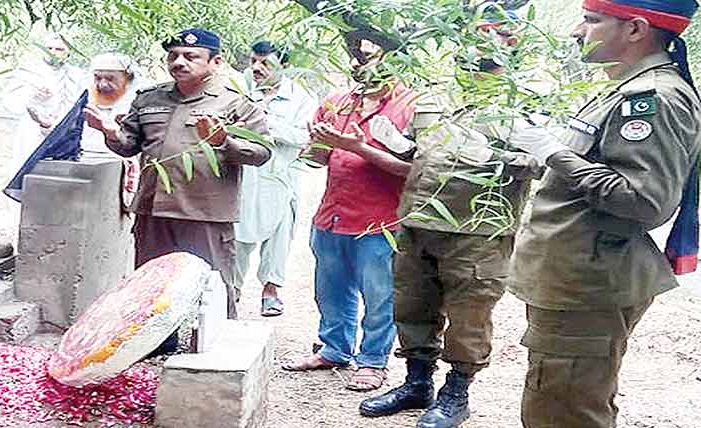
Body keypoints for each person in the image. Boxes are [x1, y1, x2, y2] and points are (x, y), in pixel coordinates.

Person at [506, 1, 701, 427]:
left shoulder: (652, 99)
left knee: (562, 412)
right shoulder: (625, 88)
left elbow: (645, 201)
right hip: (577, 276)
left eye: (592, 20)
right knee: (564, 399)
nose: (578, 30)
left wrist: (554, 153)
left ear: (635, 29)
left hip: (589, 283)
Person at [359, 13, 543, 428]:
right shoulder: (437, 96)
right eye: (475, 37)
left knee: (469, 317)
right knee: (411, 305)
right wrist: (399, 144)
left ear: (511, 44)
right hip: (418, 222)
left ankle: (456, 393)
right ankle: (417, 382)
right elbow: (421, 153)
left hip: (476, 231)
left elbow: (542, 163)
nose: (481, 46)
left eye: (494, 37)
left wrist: (497, 158)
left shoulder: (525, 102)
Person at [84, 28, 271, 341]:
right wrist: (110, 133)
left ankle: (216, 346)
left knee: (212, 284)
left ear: (216, 62)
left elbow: (261, 152)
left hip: (204, 211)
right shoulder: (149, 98)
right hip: (153, 209)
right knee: (150, 285)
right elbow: (131, 145)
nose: (179, 62)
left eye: (190, 56)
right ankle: (154, 342)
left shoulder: (236, 104)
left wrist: (224, 141)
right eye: (173, 56)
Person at [282, 39, 417, 392]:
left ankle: (373, 362)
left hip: (380, 221)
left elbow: (413, 169)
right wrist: (316, 144)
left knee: (379, 295)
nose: (358, 64)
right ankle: (334, 349)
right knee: (330, 290)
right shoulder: (337, 101)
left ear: (393, 57)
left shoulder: (411, 105)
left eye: (367, 56)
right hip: (331, 216)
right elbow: (317, 158)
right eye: (354, 57)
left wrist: (359, 148)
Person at [234, 41, 318, 317]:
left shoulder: (301, 99)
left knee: (280, 235)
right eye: (254, 61)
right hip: (244, 172)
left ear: (285, 67)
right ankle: (230, 292)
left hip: (281, 173)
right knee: (237, 233)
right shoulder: (240, 90)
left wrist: (266, 124)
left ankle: (271, 291)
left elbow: (305, 137)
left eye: (265, 63)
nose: (257, 68)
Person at [4, 33, 85, 229]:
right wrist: (33, 97)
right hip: (32, 134)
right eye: (50, 48)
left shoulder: (77, 75)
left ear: (68, 52)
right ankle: (22, 229)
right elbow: (11, 101)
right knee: (28, 176)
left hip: (65, 136)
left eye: (59, 49)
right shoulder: (28, 71)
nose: (54, 53)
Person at [82, 52, 147, 211]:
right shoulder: (87, 95)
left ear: (128, 78)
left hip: (122, 164)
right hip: (88, 163)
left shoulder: (142, 101)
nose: (103, 84)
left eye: (110, 79)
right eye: (98, 78)